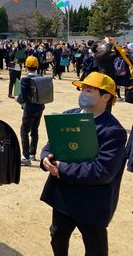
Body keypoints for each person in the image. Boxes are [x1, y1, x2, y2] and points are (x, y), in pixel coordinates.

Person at [40, 72, 127, 256]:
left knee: (95, 247)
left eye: (89, 90)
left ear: (106, 97)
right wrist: (45, 158)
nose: (83, 93)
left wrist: (60, 167)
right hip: (63, 196)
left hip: (91, 201)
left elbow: (102, 170)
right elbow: (51, 145)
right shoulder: (68, 116)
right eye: (82, 89)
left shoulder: (113, 131)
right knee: (57, 236)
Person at [16, 56, 44, 165]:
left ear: (25, 67)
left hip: (29, 109)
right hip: (40, 107)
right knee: (34, 130)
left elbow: (22, 97)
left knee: (24, 130)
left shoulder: (25, 79)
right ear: (37, 66)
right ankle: (32, 154)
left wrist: (17, 98)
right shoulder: (41, 77)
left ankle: (26, 156)